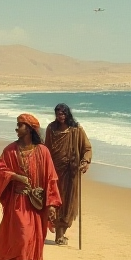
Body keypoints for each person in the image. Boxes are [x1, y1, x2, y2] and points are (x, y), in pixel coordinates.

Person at [0, 113, 61, 260]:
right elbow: (0, 169)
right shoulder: (10, 150)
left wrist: (52, 204)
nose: (17, 128)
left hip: (37, 204)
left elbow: (51, 179)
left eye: (20, 125)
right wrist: (15, 176)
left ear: (30, 129)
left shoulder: (43, 151)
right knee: (23, 237)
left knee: (33, 239)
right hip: (18, 202)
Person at [43, 103, 91, 246]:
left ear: (67, 114)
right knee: (55, 201)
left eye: (63, 113)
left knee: (68, 202)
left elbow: (87, 148)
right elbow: (46, 149)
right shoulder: (51, 129)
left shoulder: (76, 129)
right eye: (58, 114)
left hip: (71, 173)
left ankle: (61, 234)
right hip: (54, 172)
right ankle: (58, 234)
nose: (61, 116)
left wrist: (85, 161)